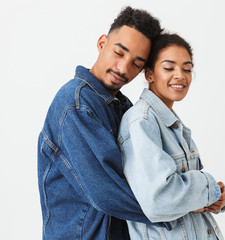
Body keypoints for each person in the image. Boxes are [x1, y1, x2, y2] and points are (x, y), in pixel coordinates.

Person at [37, 7, 169, 239]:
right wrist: (178, 209)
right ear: (102, 43)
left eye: (136, 64)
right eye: (119, 52)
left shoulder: (126, 108)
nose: (123, 68)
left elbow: (153, 172)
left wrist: (201, 192)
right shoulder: (75, 104)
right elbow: (105, 192)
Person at [118, 33, 225, 240]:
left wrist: (218, 197)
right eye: (169, 68)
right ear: (149, 74)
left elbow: (187, 199)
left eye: (187, 69)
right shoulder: (141, 122)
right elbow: (160, 199)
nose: (180, 75)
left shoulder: (171, 124)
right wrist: (208, 187)